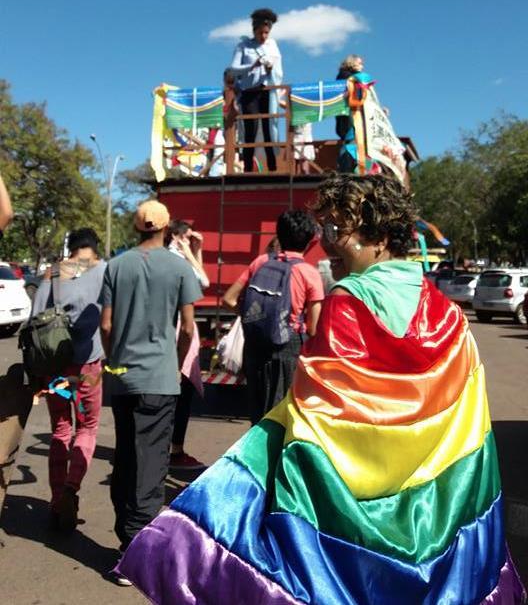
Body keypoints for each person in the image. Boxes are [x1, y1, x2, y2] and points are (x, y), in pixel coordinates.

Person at [118, 174, 525, 604]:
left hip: (352, 520)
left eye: (338, 229)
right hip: (438, 510)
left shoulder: (347, 301)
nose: (329, 243)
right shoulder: (449, 314)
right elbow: (468, 425)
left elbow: (322, 421)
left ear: (381, 236)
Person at [100, 200, 202, 583]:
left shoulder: (117, 266)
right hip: (160, 378)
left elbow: (106, 326)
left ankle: (126, 538)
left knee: (126, 455)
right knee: (152, 462)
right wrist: (175, 364)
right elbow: (189, 328)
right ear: (165, 228)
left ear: (136, 226)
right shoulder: (178, 267)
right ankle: (135, 550)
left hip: (123, 376)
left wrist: (114, 361)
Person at [32, 228, 106, 532]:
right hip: (89, 368)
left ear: (71, 248)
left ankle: (55, 497)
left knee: (61, 430)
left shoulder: (51, 273)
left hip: (56, 369)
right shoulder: (105, 270)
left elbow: (35, 318)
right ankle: (71, 488)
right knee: (87, 427)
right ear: (94, 248)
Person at [223, 210, 324, 425]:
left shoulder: (260, 262)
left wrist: (255, 316)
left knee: (257, 412)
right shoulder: (310, 273)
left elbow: (229, 299)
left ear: (279, 234)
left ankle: (256, 456)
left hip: (255, 345)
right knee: (281, 414)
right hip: (288, 346)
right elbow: (314, 329)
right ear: (309, 241)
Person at [166, 219, 210, 470]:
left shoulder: (175, 257)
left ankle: (169, 447)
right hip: (178, 331)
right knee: (181, 392)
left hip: (170, 332)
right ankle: (175, 450)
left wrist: (196, 251)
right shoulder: (176, 259)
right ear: (176, 237)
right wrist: (189, 253)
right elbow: (202, 281)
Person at [230, 8, 283, 173]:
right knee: (250, 128)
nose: (264, 36)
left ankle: (273, 167)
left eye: (267, 33)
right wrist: (252, 66)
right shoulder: (243, 45)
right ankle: (247, 167)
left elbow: (279, 71)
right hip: (249, 92)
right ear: (254, 30)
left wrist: (270, 67)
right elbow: (234, 68)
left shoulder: (272, 45)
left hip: (267, 90)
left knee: (269, 127)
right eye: (261, 32)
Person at [335, 54, 364, 141]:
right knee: (352, 139)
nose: (362, 66)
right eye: (360, 63)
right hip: (349, 117)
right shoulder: (347, 76)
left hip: (350, 116)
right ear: (352, 63)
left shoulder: (352, 77)